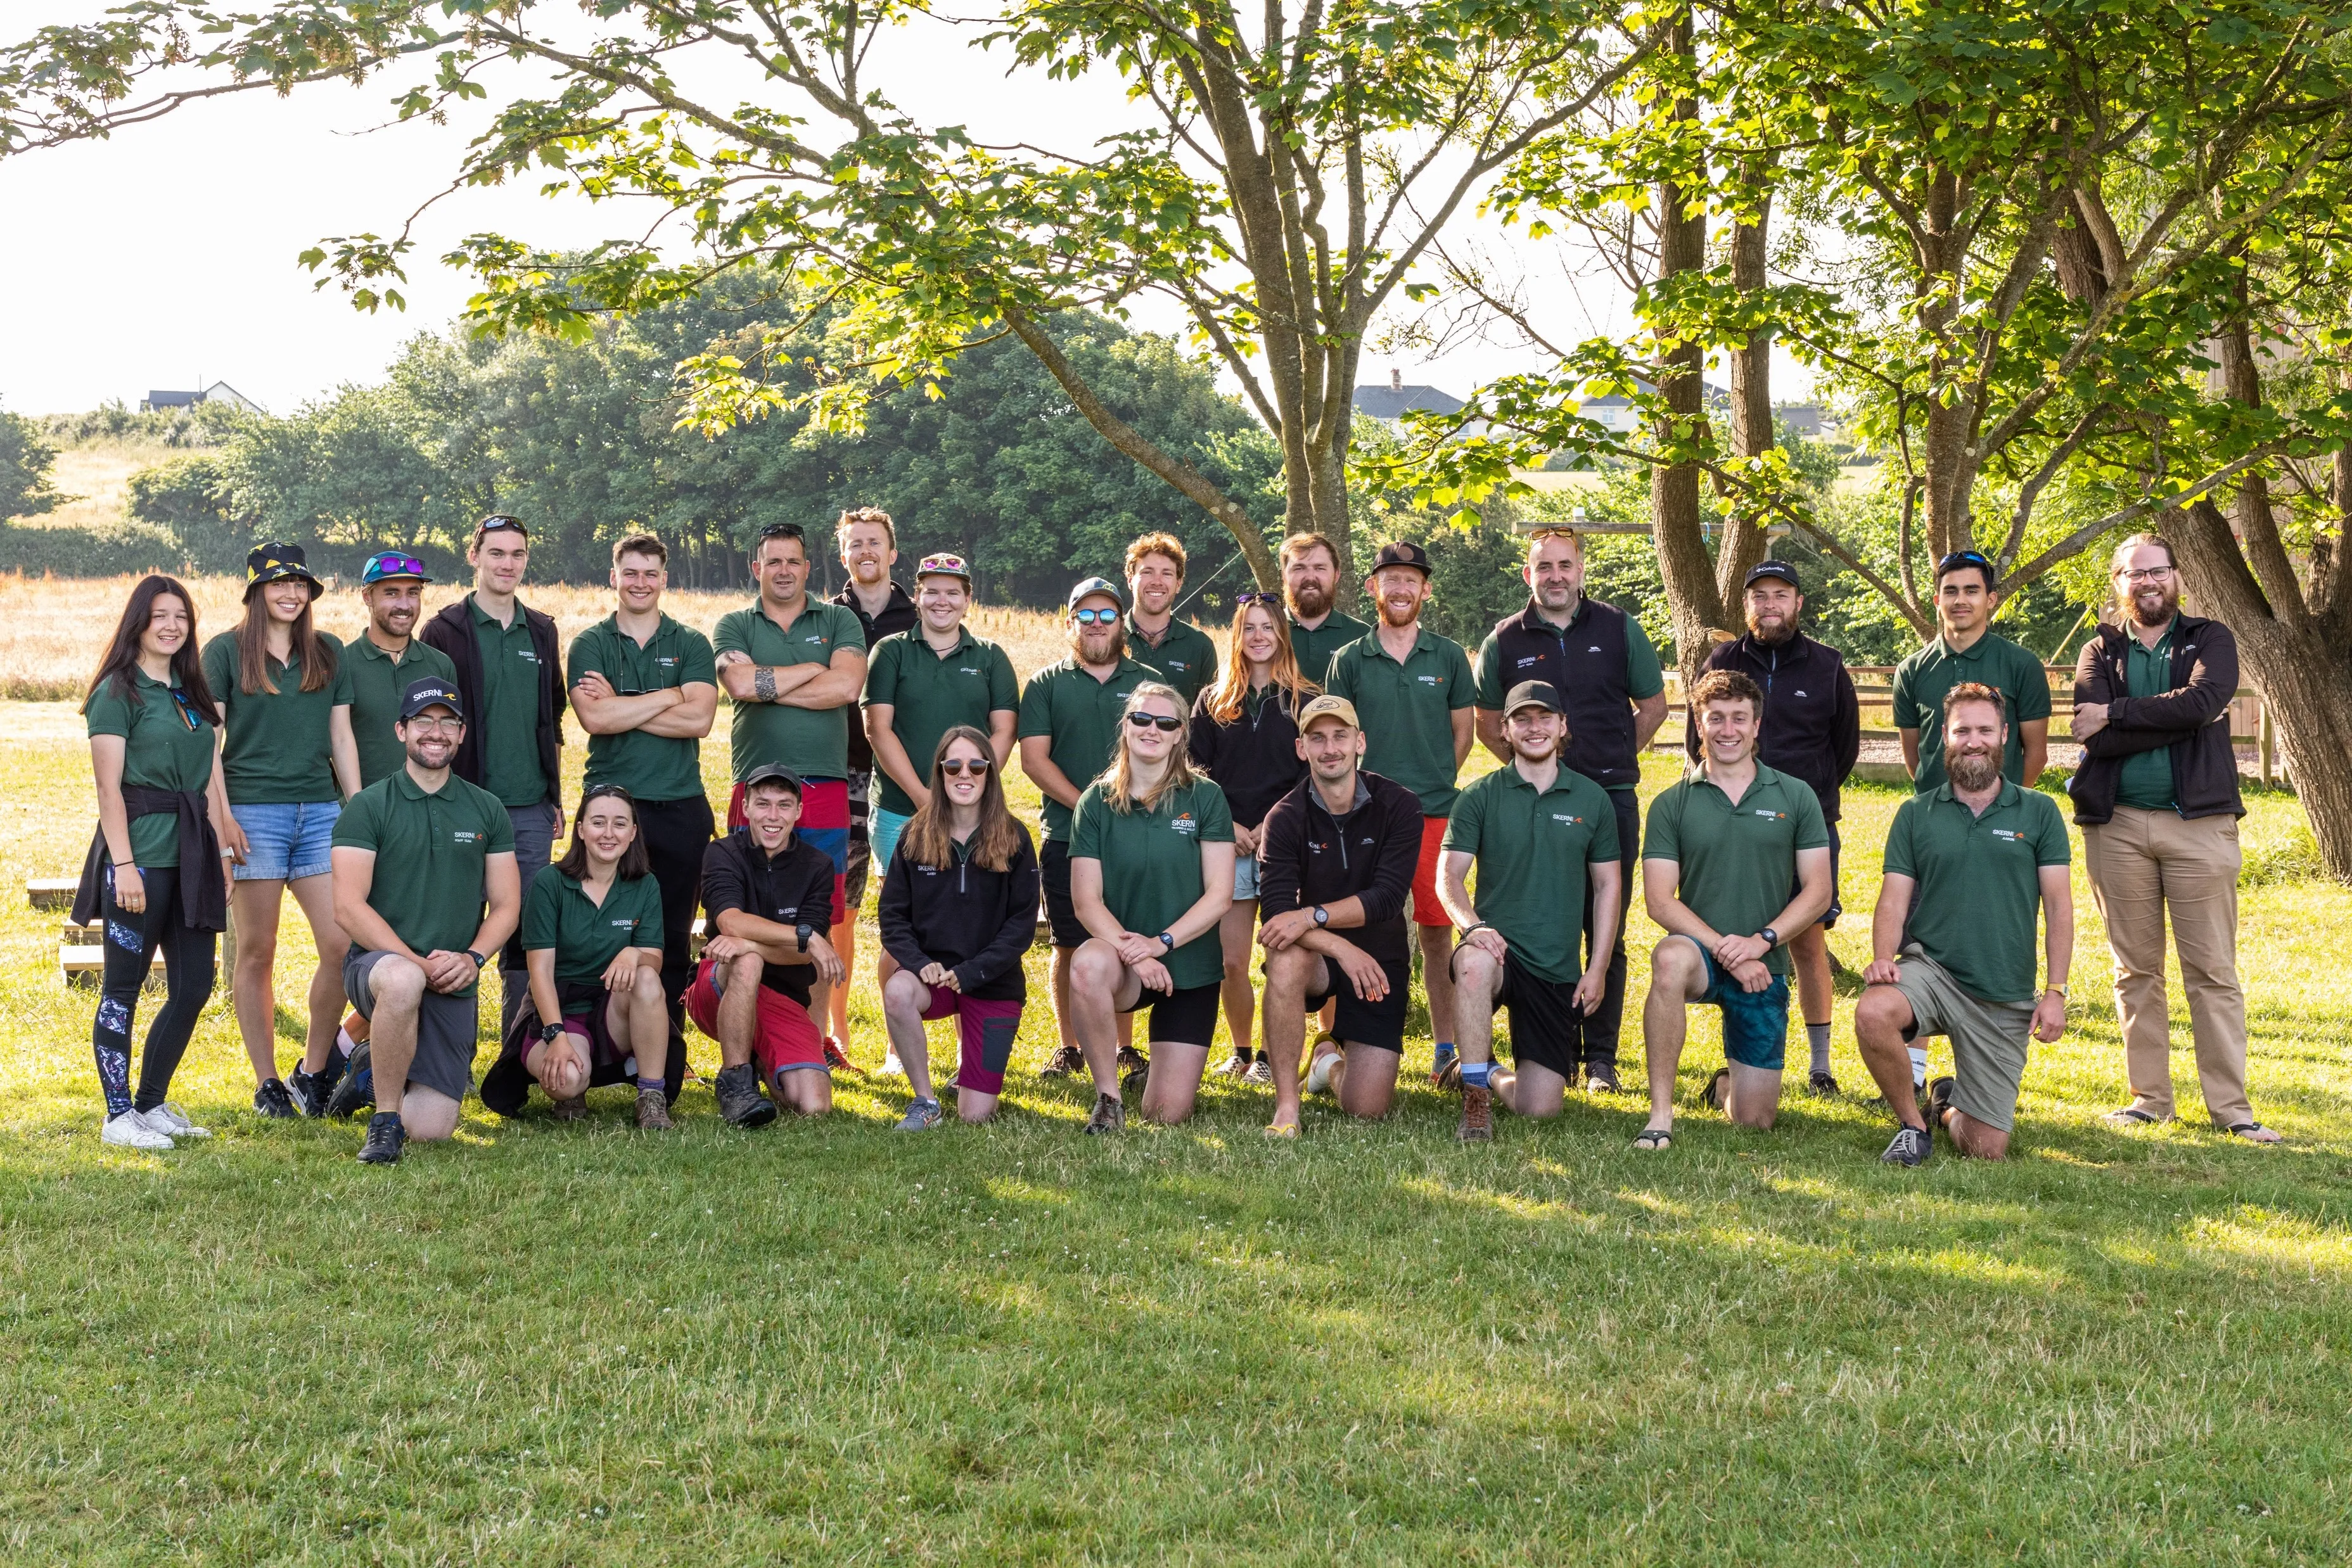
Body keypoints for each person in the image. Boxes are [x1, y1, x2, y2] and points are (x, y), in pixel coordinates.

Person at [2069, 534, 2277, 1142]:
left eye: (2158, 571)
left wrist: (2120, 712)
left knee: (2211, 970)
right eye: (2135, 574)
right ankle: (2150, 1099)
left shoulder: (2210, 638)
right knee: (2135, 970)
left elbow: (2207, 701)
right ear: (2118, 583)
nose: (2148, 582)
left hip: (2200, 825)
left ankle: (2232, 1110)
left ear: (2177, 577)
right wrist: (2169, 716)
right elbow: (2095, 735)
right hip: (2120, 825)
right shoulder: (2099, 649)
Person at [1473, 526, 1668, 1093]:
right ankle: (1552, 1045)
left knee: (1605, 924)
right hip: (1530, 803)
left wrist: (1605, 763)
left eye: (1565, 565)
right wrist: (1534, 767)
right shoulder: (1505, 639)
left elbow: (1652, 708)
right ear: (1526, 574)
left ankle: (1602, 1058)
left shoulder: (1619, 628)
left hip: (1608, 796)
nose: (1555, 576)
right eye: (1544, 567)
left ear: (1581, 570)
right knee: (1544, 924)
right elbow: (1488, 720)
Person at [1857, 684, 2073, 1164]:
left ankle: (1946, 1107)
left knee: (1986, 1149)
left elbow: (2059, 906)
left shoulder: (2039, 812)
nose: (1973, 741)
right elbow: (1894, 899)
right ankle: (1914, 1126)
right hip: (1931, 971)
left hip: (2002, 992)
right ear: (1945, 739)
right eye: (1962, 731)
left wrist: (2055, 991)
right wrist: (1882, 959)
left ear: (2004, 736)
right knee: (1873, 1012)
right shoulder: (1916, 813)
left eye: (1984, 730)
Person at [1633, 670, 1832, 1149]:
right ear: (1699, 725)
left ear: (1757, 724)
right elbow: (1660, 900)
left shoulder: (1795, 795)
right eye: (1715, 718)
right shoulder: (1672, 803)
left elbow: (1818, 892)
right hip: (1701, 954)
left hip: (1765, 964)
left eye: (1739, 718)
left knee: (1754, 1120)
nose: (1728, 729)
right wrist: (1730, 952)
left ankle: (1726, 1085)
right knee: (1668, 958)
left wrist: (1760, 943)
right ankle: (1661, 1114)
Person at [329, 677, 523, 1164]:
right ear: (401, 730)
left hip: (452, 976)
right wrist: (416, 961)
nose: (435, 732)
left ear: (461, 735)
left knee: (433, 1128)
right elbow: (348, 907)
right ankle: (384, 1122)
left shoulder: (487, 809)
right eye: (423, 721)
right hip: (380, 967)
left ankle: (370, 1067)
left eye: (447, 723)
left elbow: (506, 905)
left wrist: (473, 958)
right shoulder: (368, 807)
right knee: (402, 980)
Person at [1684, 559, 1860, 1093]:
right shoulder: (1723, 659)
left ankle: (1821, 1064)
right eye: (1759, 596)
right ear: (1746, 605)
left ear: (1798, 602)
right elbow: (1700, 734)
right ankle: (1736, 1062)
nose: (1770, 604)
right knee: (1728, 938)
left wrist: (1802, 799)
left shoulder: (1827, 665)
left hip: (1804, 825)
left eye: (1780, 594)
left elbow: (1845, 749)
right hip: (1734, 824)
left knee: (1807, 942)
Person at [201, 543, 361, 1119]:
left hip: (321, 813)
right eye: (278, 584)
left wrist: (359, 809)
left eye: (299, 584)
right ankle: (267, 1081)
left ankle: (314, 1071)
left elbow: (342, 738)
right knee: (257, 949)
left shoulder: (328, 652)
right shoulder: (223, 652)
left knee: (341, 946)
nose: (290, 593)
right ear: (256, 592)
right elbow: (208, 746)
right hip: (254, 813)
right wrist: (223, 817)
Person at [73, 575, 234, 1150]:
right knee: (123, 987)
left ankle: (151, 1103)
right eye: (160, 615)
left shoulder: (191, 691)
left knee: (194, 985)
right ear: (139, 622)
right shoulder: (117, 692)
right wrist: (125, 866)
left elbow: (209, 773)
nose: (172, 626)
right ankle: (118, 1115)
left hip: (192, 853)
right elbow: (108, 789)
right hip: (139, 853)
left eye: (182, 617)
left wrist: (221, 844)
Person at [1888, 546, 2052, 1093]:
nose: (1961, 600)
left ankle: (1974, 1074)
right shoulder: (1913, 670)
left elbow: (2034, 750)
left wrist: (2003, 810)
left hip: (2001, 822)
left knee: (1984, 942)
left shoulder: (2021, 665)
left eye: (1972, 590)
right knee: (1917, 945)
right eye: (1951, 591)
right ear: (1937, 600)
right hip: (1932, 829)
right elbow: (1917, 754)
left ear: (1991, 599)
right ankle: (1913, 1075)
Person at [1436, 682, 1624, 1141]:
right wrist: (1474, 927)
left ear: (1563, 726)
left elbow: (1608, 886)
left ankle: (1481, 1071)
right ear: (1505, 730)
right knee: (1475, 963)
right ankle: (1476, 1103)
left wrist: (1597, 969)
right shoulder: (1479, 796)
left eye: (1545, 718)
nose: (1534, 727)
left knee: (1539, 1108)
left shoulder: (1592, 799)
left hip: (1554, 967)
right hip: (1497, 950)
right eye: (1523, 719)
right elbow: (1448, 878)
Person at [713, 522, 869, 1068]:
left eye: (793, 561)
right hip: (753, 788)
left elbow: (847, 688)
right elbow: (737, 686)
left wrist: (770, 687)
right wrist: (810, 671)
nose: (783, 570)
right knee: (748, 910)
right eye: (772, 561)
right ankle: (751, 1035)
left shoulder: (839, 619)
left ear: (807, 568)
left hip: (824, 788)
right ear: (757, 569)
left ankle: (812, 1038)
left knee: (820, 916)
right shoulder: (735, 622)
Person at [1323, 540, 1475, 1078]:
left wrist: (1431, 781)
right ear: (1373, 588)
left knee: (1436, 932)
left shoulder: (1450, 656)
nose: (1402, 588)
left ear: (1426, 589)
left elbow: (1464, 732)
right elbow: (1336, 738)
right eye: (1391, 579)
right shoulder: (1348, 660)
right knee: (1353, 925)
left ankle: (1445, 1047)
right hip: (1365, 816)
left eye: (1412, 579)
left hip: (1434, 814)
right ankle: (1336, 1041)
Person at [566, 532, 717, 1067]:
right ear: (614, 576)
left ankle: (662, 1048)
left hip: (680, 806)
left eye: (650, 573)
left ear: (665, 579)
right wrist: (671, 694)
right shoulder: (590, 642)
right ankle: (599, 1042)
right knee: (598, 926)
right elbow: (596, 718)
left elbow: (701, 719)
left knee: (672, 933)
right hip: (613, 804)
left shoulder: (692, 642)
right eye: (630, 572)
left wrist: (627, 702)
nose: (640, 582)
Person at [420, 513, 566, 1049]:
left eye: (518, 554)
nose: (508, 564)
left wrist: (555, 794)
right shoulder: (444, 630)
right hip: (463, 805)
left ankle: (516, 1053)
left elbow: (553, 714)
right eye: (497, 553)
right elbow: (428, 722)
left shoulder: (543, 630)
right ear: (475, 556)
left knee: (527, 935)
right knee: (454, 931)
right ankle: (443, 1057)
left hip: (529, 810)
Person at [1066, 684, 1238, 1132]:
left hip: (1189, 967)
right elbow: (1086, 902)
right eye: (1141, 718)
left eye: (1166, 722)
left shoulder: (1205, 797)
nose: (1152, 729)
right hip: (1124, 963)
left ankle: (1152, 1074)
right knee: (1086, 965)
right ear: (1126, 726)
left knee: (1166, 1113)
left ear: (1181, 734)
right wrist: (1134, 953)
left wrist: (1159, 944)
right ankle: (1109, 1097)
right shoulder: (1095, 802)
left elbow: (1219, 895)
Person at [1256, 695, 1423, 1134]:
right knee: (1285, 958)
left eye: (1340, 736)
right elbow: (1275, 916)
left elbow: (1387, 897)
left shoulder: (1401, 805)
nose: (1330, 748)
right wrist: (1339, 947)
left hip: (1381, 956)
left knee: (1366, 1107)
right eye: (1318, 738)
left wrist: (1310, 916)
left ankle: (1327, 1062)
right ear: (1301, 748)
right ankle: (1287, 1107)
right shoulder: (1284, 818)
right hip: (1322, 956)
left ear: (1359, 742)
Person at [1017, 576, 1156, 1079]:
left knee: (1127, 936)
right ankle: (1069, 1045)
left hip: (1136, 835)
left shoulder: (1147, 682)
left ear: (1123, 623)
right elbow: (1033, 759)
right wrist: (1088, 807)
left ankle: (1125, 1047)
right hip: (1066, 834)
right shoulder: (1045, 684)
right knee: (1068, 941)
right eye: (1086, 616)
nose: (1097, 625)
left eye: (1107, 616)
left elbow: (1164, 754)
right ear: (1069, 620)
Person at [876, 727, 1042, 1128]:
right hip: (933, 979)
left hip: (992, 983)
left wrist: (973, 972)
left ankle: (969, 1080)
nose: (963, 774)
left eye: (976, 765)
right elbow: (893, 916)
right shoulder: (914, 836)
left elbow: (1021, 926)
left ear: (990, 773)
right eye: (953, 765)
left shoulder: (1016, 837)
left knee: (975, 1115)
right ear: (940, 772)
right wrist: (918, 963)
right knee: (898, 989)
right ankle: (925, 1101)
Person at [483, 784, 673, 1129]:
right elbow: (539, 973)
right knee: (567, 1080)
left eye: (620, 824)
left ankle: (651, 1096)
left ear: (633, 833)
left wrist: (633, 953)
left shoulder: (645, 885)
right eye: (598, 822)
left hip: (612, 1010)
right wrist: (555, 1035)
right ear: (581, 829)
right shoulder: (549, 883)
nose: (609, 833)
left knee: (645, 976)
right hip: (559, 1006)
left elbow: (655, 960)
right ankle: (573, 1081)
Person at [1189, 592, 1312, 1081]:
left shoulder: (1304, 698)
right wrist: (1232, 827)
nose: (1259, 637)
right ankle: (1241, 1051)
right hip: (1230, 843)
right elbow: (1196, 773)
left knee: (1281, 955)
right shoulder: (1214, 700)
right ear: (1237, 635)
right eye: (1249, 628)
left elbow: (1317, 775)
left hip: (1286, 847)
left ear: (1282, 635)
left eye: (1268, 627)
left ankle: (1268, 1056)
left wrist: (1270, 827)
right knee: (1233, 959)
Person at [686, 764, 847, 1125]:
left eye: (784, 805)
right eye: (763, 804)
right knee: (746, 964)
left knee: (814, 1104)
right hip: (718, 987)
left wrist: (748, 943)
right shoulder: (723, 853)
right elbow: (729, 921)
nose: (773, 816)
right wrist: (804, 937)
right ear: (745, 808)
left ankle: (761, 1059)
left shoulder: (818, 866)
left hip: (784, 998)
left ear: (799, 812)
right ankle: (737, 1084)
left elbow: (798, 955)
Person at [830, 506, 921, 1052]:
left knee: (903, 904)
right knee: (840, 905)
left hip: (899, 778)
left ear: (892, 553)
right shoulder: (826, 618)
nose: (865, 551)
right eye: (855, 543)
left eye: (874, 543)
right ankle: (835, 1032)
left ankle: (897, 1040)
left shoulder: (921, 615)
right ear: (843, 555)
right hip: (838, 772)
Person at [346, 551, 457, 789]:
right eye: (392, 593)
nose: (405, 605)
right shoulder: (341, 663)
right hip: (362, 812)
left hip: (426, 812)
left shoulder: (441, 665)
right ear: (367, 597)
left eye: (413, 593)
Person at [1124, 532, 1220, 706]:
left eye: (1167, 574)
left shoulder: (1200, 646)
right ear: (1130, 579)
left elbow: (1209, 718)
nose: (1157, 582)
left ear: (1179, 583)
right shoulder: (1109, 635)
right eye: (1147, 572)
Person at [1279, 531, 1371, 688]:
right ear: (1284, 576)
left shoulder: (1363, 636)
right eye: (1299, 568)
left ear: (1336, 575)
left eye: (1320, 568)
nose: (1310, 577)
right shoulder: (1265, 633)